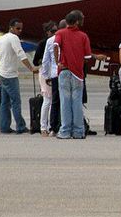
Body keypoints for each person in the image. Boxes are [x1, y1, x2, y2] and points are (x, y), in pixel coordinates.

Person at [53, 10, 100, 139]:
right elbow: (87, 56)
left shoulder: (60, 33)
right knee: (77, 102)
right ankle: (79, 131)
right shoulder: (83, 36)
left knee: (65, 102)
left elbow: (55, 45)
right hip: (78, 74)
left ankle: (65, 131)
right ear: (77, 22)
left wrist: (58, 62)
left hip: (64, 71)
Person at [0, 18, 38, 134]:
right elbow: (21, 54)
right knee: (16, 101)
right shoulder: (14, 38)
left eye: (21, 29)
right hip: (10, 75)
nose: (20, 31)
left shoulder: (2, 38)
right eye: (17, 28)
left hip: (1, 72)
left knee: (5, 102)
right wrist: (31, 68)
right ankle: (20, 126)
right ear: (11, 28)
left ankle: (4, 127)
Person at [37, 21, 58, 137]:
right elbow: (37, 60)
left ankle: (52, 126)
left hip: (54, 73)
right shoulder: (43, 43)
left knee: (54, 100)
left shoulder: (58, 40)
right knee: (47, 100)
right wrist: (46, 75)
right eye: (53, 31)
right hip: (46, 73)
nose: (55, 33)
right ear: (47, 32)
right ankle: (43, 127)